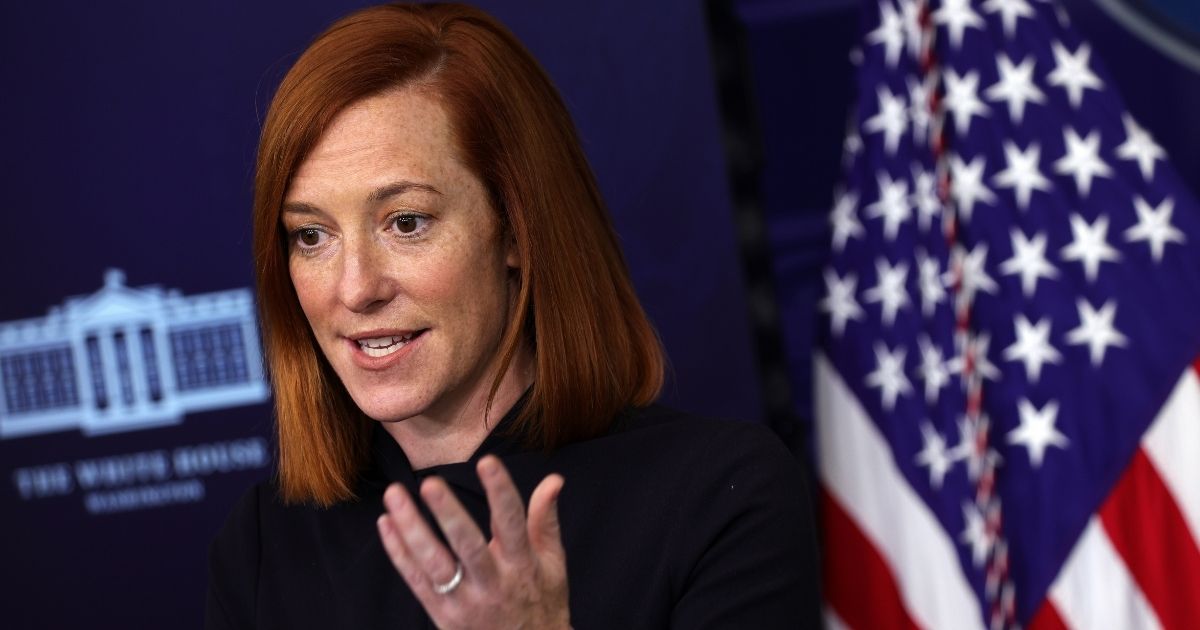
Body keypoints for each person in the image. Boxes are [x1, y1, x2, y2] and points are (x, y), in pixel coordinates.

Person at [206, 3, 820, 628]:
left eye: (407, 223)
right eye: (311, 235)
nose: (356, 288)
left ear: (518, 232)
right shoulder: (265, 546)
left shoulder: (718, 496)